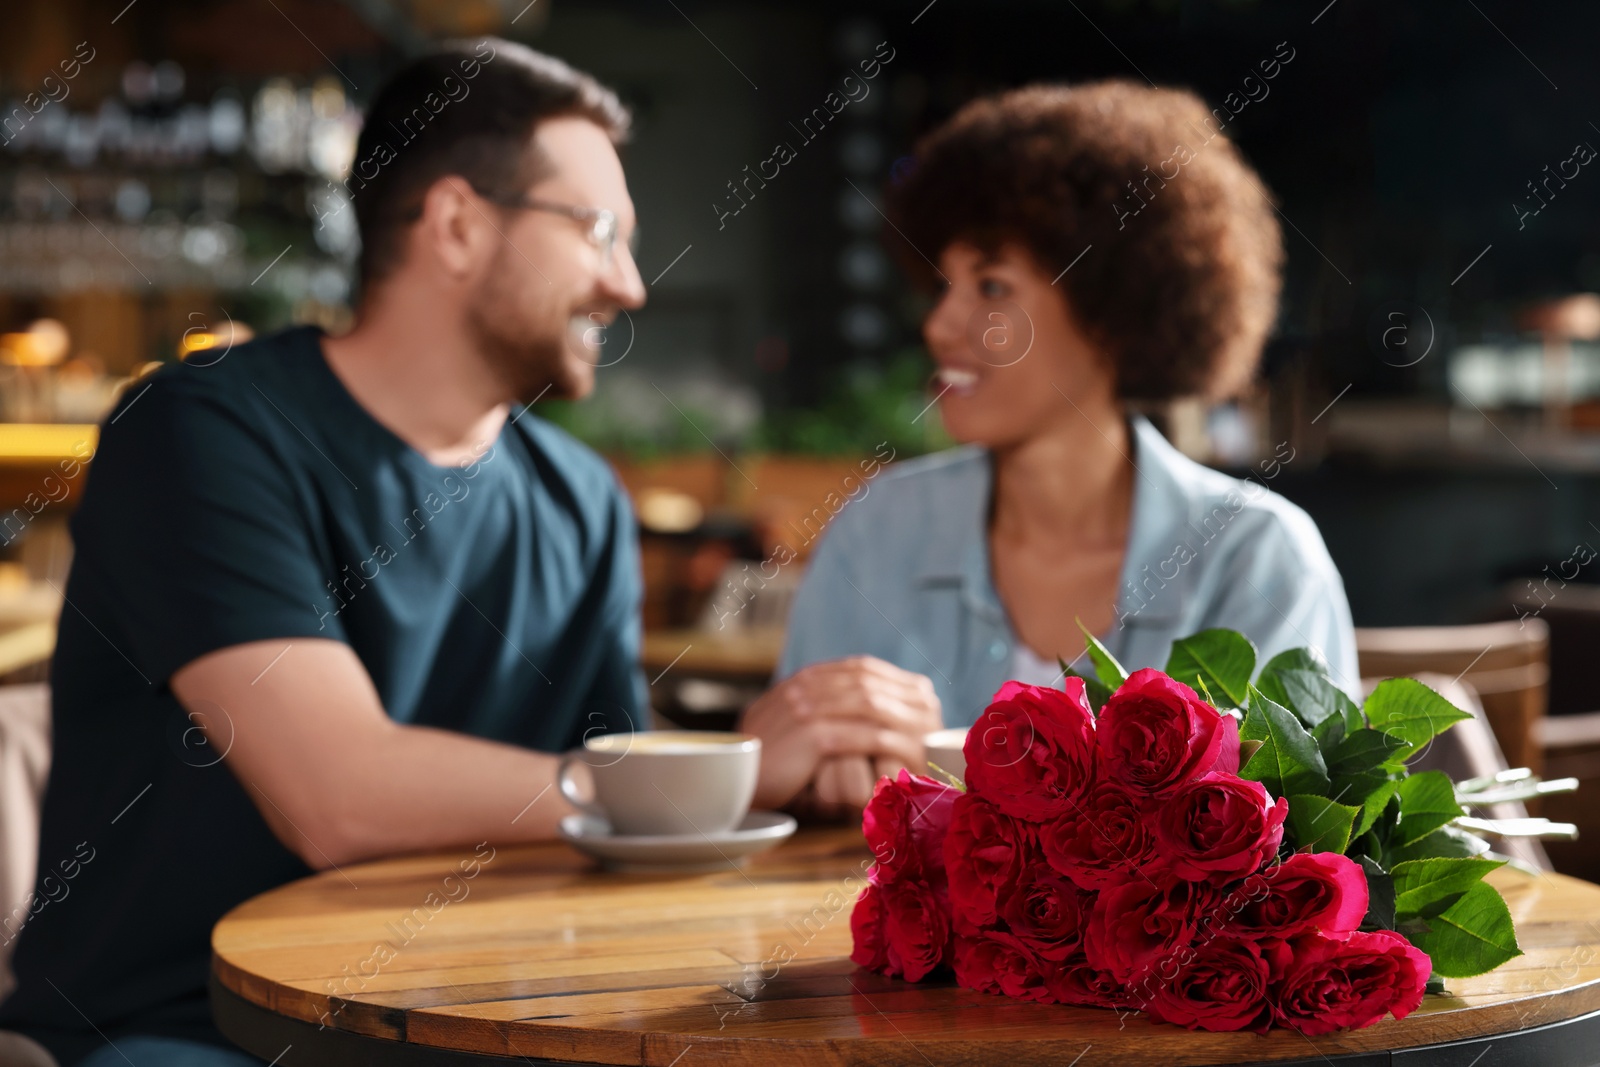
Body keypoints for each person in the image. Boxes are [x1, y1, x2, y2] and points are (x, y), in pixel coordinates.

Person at [0, 40, 935, 1067]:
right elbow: (339, 794)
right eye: (599, 233)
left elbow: (601, 813)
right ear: (455, 225)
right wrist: (735, 772)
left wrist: (804, 770)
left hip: (492, 1021)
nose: (629, 284)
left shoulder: (576, 498)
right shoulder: (200, 433)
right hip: (201, 1029)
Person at [770, 81, 1359, 811]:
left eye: (990, 286)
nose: (942, 325)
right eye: (940, 286)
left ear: (1116, 309)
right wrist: (780, 765)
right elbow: (789, 797)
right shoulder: (875, 533)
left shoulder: (1255, 558)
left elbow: (1304, 846)